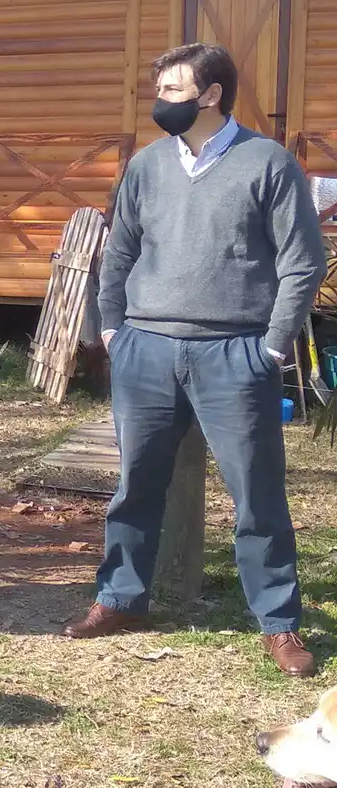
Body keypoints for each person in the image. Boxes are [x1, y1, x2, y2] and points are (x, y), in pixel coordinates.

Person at [67, 42, 325, 677]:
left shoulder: (268, 164)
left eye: (173, 91)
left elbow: (302, 261)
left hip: (236, 353)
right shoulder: (147, 167)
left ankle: (279, 621)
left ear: (211, 95)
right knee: (135, 485)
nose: (161, 102)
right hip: (146, 351)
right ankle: (122, 598)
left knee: (257, 494)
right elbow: (119, 249)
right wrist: (112, 327)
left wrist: (269, 346)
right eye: (158, 90)